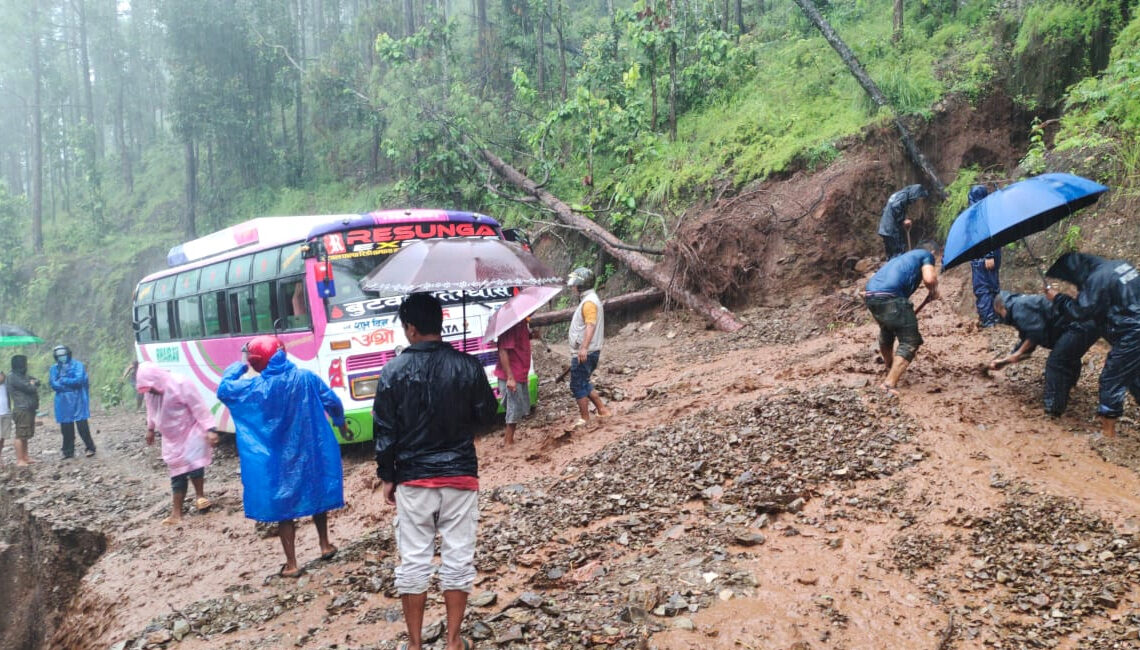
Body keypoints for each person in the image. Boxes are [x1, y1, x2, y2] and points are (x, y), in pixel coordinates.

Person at [373, 293, 498, 650]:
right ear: (440, 323)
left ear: (410, 328)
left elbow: (385, 430)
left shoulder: (392, 371)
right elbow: (487, 415)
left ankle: (414, 644)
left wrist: (388, 476)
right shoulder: (466, 365)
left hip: (413, 479)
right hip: (460, 475)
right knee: (458, 557)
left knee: (414, 561)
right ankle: (454, 641)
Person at [217, 336, 346, 578]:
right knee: (316, 492)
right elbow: (331, 400)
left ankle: (292, 563)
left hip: (277, 457)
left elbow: (225, 389)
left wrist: (240, 366)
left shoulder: (256, 387)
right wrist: (340, 423)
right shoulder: (306, 377)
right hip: (310, 449)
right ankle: (325, 544)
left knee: (284, 508)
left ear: (257, 362)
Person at [1046, 252, 1140, 438]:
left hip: (1132, 334)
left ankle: (1108, 436)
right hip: (1133, 326)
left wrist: (1058, 298)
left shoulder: (1098, 277)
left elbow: (1081, 312)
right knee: (1134, 374)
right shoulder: (1120, 265)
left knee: (1111, 380)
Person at [989, 291, 1101, 416]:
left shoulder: (1017, 308)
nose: (1002, 317)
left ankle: (1053, 409)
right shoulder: (1020, 305)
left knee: (1057, 362)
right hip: (1087, 323)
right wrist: (1005, 361)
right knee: (1067, 353)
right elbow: (1027, 342)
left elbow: (1035, 333)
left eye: (1000, 314)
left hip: (1080, 325)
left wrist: (1018, 353)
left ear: (1001, 307)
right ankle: (1068, 387)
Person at [137, 362, 219, 525]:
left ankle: (200, 497)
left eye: (151, 388)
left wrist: (210, 428)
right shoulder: (150, 391)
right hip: (171, 437)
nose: (150, 392)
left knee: (194, 465)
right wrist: (150, 428)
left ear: (156, 379)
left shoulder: (181, 383)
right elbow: (151, 410)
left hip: (190, 430)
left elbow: (199, 407)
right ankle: (176, 513)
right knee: (177, 471)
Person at [863, 241, 940, 396]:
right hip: (891, 297)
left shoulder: (901, 258)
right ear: (932, 252)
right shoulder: (926, 256)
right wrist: (934, 290)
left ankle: (889, 365)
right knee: (911, 340)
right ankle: (888, 384)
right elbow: (929, 279)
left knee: (887, 329)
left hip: (870, 295)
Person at [567, 267, 612, 428]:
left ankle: (585, 418)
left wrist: (583, 348)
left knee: (577, 384)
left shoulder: (589, 303)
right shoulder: (589, 300)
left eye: (575, 284)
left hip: (586, 351)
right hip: (588, 350)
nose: (572, 287)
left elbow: (590, 325)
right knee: (583, 381)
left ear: (581, 284)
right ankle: (602, 410)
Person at [49, 344, 95, 459]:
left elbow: (79, 381)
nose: (62, 357)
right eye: (59, 356)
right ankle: (68, 451)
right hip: (63, 401)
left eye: (63, 355)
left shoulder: (78, 365)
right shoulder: (54, 368)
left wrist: (63, 380)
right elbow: (54, 384)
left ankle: (90, 447)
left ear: (68, 354)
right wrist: (70, 385)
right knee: (66, 428)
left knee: (82, 426)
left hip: (78, 399)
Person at [967, 185, 1002, 327]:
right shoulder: (990, 210)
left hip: (983, 256)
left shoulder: (978, 214)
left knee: (983, 288)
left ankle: (988, 321)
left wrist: (988, 255)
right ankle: (996, 317)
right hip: (993, 254)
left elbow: (984, 234)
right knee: (992, 286)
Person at [494, 319, 532, 445]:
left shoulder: (522, 324)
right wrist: (510, 377)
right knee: (513, 408)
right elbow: (503, 350)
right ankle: (508, 442)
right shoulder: (511, 325)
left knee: (515, 407)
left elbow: (518, 342)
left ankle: (508, 440)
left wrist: (531, 335)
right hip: (512, 374)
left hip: (519, 371)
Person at [878, 184, 928, 259]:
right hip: (891, 229)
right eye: (918, 198)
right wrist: (903, 220)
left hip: (885, 228)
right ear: (915, 193)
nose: (916, 200)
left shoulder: (899, 195)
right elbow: (895, 207)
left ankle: (891, 268)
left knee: (891, 254)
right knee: (898, 252)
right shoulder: (903, 196)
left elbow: (887, 209)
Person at [7, 355, 40, 466]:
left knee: (26, 434)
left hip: (29, 408)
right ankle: (20, 459)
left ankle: (26, 457)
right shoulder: (13, 376)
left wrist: (33, 382)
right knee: (20, 434)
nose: (25, 365)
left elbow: (36, 381)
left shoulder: (23, 375)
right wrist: (32, 383)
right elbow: (29, 388)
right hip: (21, 408)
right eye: (24, 363)